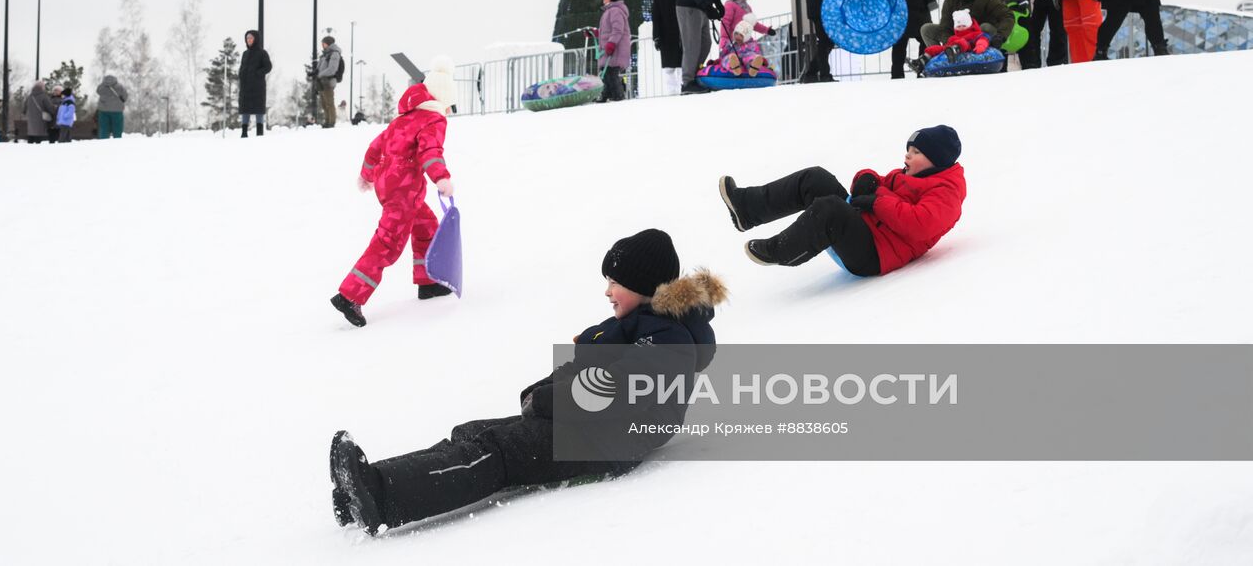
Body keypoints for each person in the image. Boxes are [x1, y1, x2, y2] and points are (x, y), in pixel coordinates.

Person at [330, 229, 724, 534]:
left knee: (496, 452)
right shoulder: (644, 327)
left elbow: (615, 391)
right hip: (589, 431)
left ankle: (382, 499)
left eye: (614, 281)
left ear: (643, 286)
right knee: (474, 434)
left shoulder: (666, 340)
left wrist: (548, 402)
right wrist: (546, 391)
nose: (607, 290)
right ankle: (366, 487)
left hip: (605, 444)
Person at [718, 125, 965, 277]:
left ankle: (782, 250)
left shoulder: (946, 192)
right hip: (863, 229)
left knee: (831, 208)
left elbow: (919, 224)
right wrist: (865, 178)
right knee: (815, 178)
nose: (907, 156)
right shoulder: (914, 173)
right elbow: (881, 183)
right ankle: (746, 208)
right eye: (908, 150)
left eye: (916, 153)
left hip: (873, 256)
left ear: (937, 159)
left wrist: (877, 200)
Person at [331, 57, 459, 327]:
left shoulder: (403, 119)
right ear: (443, 99)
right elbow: (430, 153)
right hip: (404, 190)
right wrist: (441, 178)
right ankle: (350, 295)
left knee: (425, 225)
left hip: (388, 184)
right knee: (388, 243)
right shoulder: (434, 119)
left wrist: (366, 176)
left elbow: (375, 147)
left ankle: (428, 283)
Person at [919, 0, 1015, 58]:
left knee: (985, 27)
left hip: (979, 37)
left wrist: (1000, 36)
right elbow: (945, 25)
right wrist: (950, 42)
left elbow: (1008, 16)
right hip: (956, 37)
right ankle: (943, 59)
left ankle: (984, 57)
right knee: (927, 29)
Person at [650, 0, 683, 93]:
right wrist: (656, 37)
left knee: (681, 66)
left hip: (681, 36)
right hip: (666, 37)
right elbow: (656, 19)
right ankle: (671, 92)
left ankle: (682, 89)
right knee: (669, 68)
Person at [596, 0, 632, 102]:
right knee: (607, 74)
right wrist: (594, 33)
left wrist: (611, 43)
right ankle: (606, 95)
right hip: (609, 49)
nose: (603, 0)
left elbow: (617, 30)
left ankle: (618, 96)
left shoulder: (615, 11)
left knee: (611, 74)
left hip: (615, 49)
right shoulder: (609, 11)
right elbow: (605, 31)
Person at [238, 29, 273, 136]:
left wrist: (257, 73)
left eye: (251, 38)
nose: (249, 40)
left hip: (258, 87)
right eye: (247, 38)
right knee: (245, 109)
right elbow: (242, 67)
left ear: (256, 39)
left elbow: (268, 67)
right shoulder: (245, 54)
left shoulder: (262, 53)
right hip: (245, 86)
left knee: (258, 109)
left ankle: (259, 132)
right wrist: (241, 76)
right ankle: (244, 132)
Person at [921, 9, 991, 62]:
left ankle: (954, 50)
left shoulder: (975, 34)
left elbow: (983, 39)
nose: (961, 28)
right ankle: (924, 59)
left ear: (969, 25)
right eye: (958, 26)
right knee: (936, 48)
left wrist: (980, 46)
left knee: (963, 42)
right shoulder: (954, 37)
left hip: (968, 49)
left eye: (964, 25)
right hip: (949, 48)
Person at [316, 36, 343, 128]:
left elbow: (332, 69)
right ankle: (327, 121)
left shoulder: (334, 54)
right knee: (324, 103)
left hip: (329, 80)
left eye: (323, 43)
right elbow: (319, 68)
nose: (322, 45)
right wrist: (315, 73)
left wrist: (320, 74)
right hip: (322, 81)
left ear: (328, 43)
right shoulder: (324, 55)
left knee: (329, 102)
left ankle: (331, 122)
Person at [24, 80, 55, 144]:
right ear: (42, 87)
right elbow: (50, 108)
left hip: (30, 124)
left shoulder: (29, 97)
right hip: (41, 122)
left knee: (31, 140)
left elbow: (24, 109)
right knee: (39, 140)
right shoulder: (43, 96)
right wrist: (55, 109)